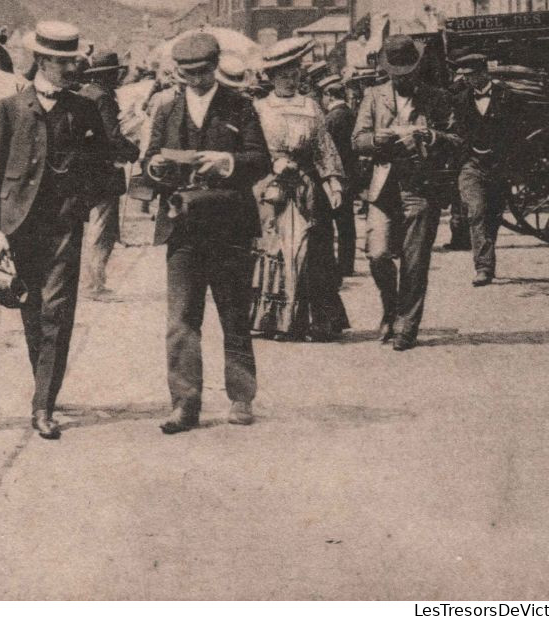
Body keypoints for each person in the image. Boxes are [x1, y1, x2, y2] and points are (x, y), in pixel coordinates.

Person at [0, 21, 111, 440]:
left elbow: (103, 166)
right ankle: (45, 385)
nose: (68, 69)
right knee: (31, 311)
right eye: (60, 62)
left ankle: (43, 406)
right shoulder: (9, 108)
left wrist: (82, 202)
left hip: (63, 225)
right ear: (40, 61)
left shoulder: (84, 109)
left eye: (71, 61)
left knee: (57, 311)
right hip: (20, 225)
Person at [142, 31, 270, 433]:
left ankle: (241, 397)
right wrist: (156, 169)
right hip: (182, 227)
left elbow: (260, 159)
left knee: (233, 314)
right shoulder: (165, 110)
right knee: (181, 320)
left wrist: (227, 161)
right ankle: (184, 404)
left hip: (228, 224)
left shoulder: (240, 107)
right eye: (187, 74)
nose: (195, 80)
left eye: (202, 72)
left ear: (215, 68)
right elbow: (149, 158)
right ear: (177, 73)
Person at [352, 35, 463, 351]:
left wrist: (428, 136)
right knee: (377, 254)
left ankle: (406, 328)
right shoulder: (373, 96)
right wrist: (379, 139)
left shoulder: (436, 98)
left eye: (409, 72)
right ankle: (391, 307)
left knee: (415, 262)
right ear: (387, 71)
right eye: (396, 73)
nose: (403, 78)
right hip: (382, 188)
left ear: (417, 68)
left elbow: (456, 140)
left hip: (420, 188)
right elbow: (356, 139)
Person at [248, 39, 348, 341]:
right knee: (276, 252)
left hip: (306, 188)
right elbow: (252, 148)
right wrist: (273, 163)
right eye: (282, 75)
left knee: (309, 253)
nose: (289, 80)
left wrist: (332, 182)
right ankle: (276, 322)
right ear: (271, 77)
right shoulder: (259, 108)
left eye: (293, 74)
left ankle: (316, 322)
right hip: (271, 189)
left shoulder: (311, 107)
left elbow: (324, 148)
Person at [450, 52, 516, 287]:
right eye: (464, 76)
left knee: (493, 214)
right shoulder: (459, 99)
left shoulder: (507, 96)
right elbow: (456, 132)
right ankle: (483, 267)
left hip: (498, 165)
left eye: (471, 75)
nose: (467, 80)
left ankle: (487, 259)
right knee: (475, 212)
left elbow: (517, 131)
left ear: (484, 73)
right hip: (470, 165)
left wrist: (509, 161)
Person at [76, 50, 137, 298]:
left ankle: (90, 282)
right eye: (116, 73)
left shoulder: (84, 93)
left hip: (84, 168)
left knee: (92, 226)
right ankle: (94, 285)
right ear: (109, 75)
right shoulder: (104, 98)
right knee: (102, 228)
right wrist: (132, 150)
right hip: (103, 169)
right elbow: (112, 136)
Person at [316, 73, 361, 278]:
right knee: (346, 223)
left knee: (331, 221)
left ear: (328, 95)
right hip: (350, 174)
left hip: (337, 176)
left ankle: (337, 267)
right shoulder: (351, 113)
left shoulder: (332, 118)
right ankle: (347, 264)